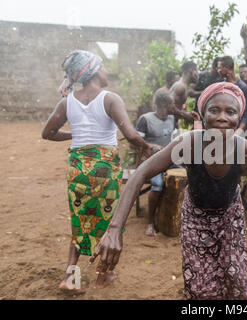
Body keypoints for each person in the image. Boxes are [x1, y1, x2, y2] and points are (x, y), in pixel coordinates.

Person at [90, 82, 247, 299]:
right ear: (202, 114)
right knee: (200, 287)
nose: (223, 117)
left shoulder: (245, 149)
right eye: (214, 110)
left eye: (231, 112)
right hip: (195, 220)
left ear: (239, 118)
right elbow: (140, 174)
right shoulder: (189, 144)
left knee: (236, 280)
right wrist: (115, 228)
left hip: (230, 218)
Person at [42, 50, 155, 291]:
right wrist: (148, 147)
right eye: (103, 67)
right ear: (93, 71)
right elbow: (131, 135)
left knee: (79, 221)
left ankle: (70, 278)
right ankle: (104, 274)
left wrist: (76, 135)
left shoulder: (67, 102)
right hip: (104, 170)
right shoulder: (110, 98)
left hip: (77, 168)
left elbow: (47, 133)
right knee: (110, 221)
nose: (106, 72)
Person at [135, 93, 178, 236]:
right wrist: (151, 146)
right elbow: (135, 142)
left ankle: (176, 216)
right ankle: (150, 222)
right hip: (152, 161)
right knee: (158, 185)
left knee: (188, 177)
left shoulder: (172, 118)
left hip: (170, 160)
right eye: (172, 104)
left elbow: (174, 138)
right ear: (165, 106)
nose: (174, 107)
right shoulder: (145, 119)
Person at [217, 56, 247, 136]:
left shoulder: (243, 88)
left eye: (219, 68)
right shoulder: (221, 85)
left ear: (227, 68)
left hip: (236, 129)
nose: (218, 71)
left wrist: (240, 129)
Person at [168, 61, 201, 126]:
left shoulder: (184, 86)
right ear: (191, 71)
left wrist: (188, 114)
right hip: (166, 125)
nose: (198, 75)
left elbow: (177, 106)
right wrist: (185, 115)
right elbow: (168, 106)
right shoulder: (180, 86)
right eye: (197, 71)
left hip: (171, 124)